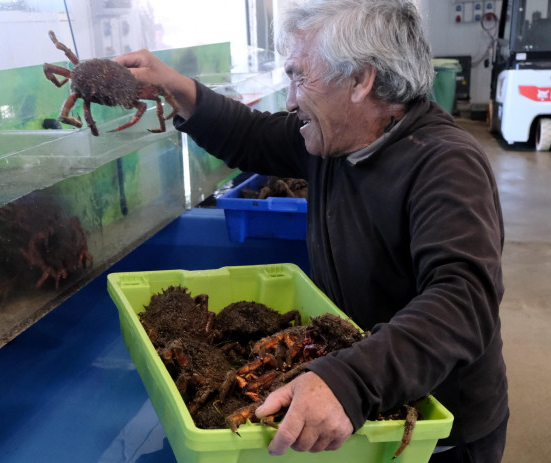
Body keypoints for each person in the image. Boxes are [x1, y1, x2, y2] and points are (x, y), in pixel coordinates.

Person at [114, 0, 509, 461]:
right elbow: (252, 135)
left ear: (361, 80)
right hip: (362, 401)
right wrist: (177, 88)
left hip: (439, 429)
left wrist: (350, 380)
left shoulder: (446, 163)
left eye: (300, 75)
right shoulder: (333, 140)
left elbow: (463, 303)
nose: (290, 98)